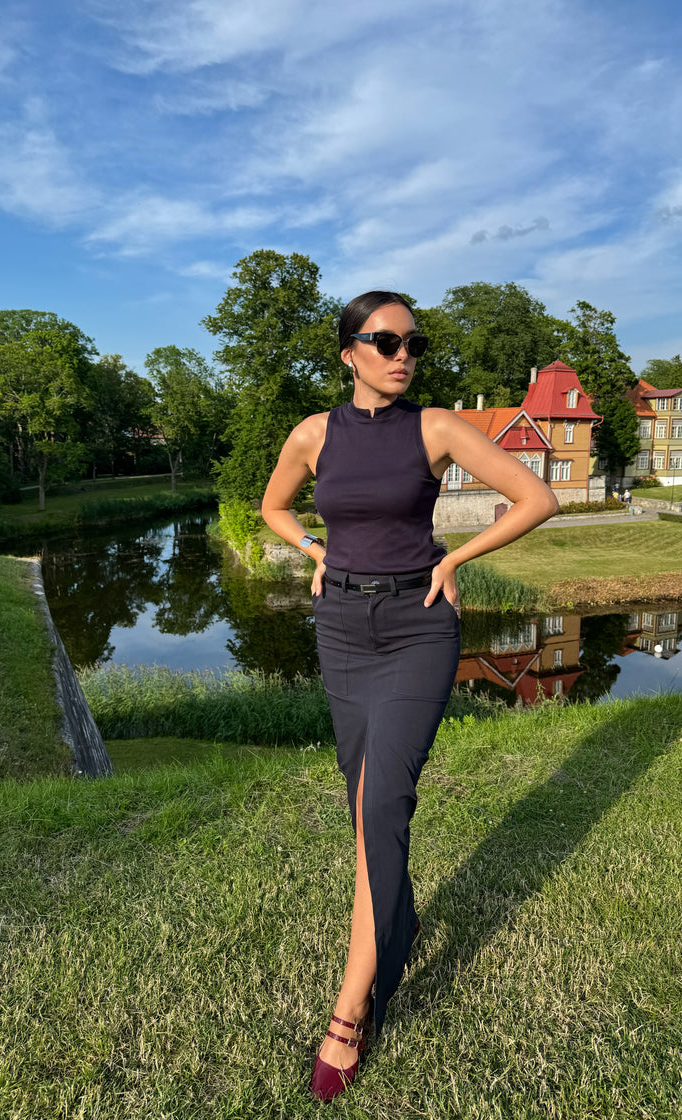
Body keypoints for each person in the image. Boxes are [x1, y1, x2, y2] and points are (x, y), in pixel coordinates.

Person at [261, 290, 559, 1102]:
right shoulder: (313, 435)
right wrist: (314, 548)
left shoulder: (436, 428)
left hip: (416, 627)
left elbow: (539, 498)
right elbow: (272, 507)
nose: (403, 355)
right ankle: (404, 918)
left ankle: (351, 1010)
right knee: (363, 798)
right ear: (348, 351)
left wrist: (455, 559)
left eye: (412, 343)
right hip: (340, 628)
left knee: (381, 804)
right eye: (386, 340)